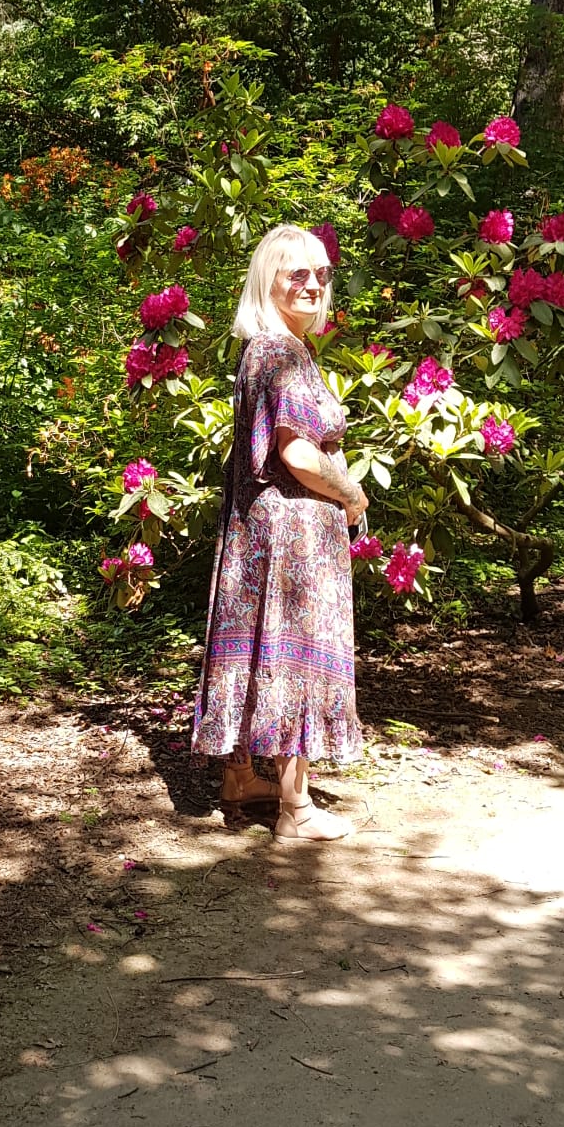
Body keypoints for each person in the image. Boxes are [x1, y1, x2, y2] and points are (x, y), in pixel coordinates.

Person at [191, 223, 368, 841]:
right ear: (269, 281)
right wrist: (351, 493)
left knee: (260, 646)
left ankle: (242, 779)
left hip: (261, 533)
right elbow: (297, 455)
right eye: (298, 274)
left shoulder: (266, 349)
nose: (314, 284)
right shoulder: (281, 352)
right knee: (293, 653)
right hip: (292, 540)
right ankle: (296, 810)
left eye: (322, 273)